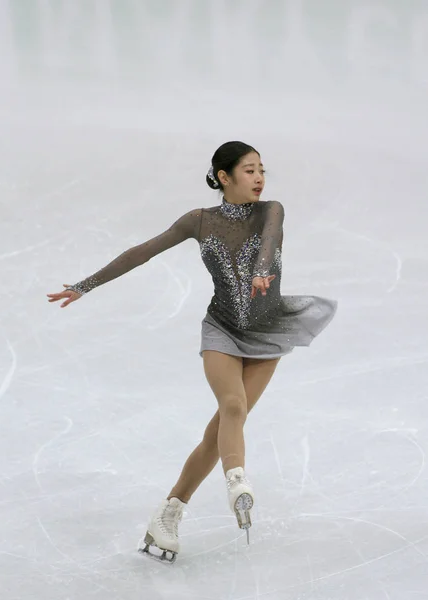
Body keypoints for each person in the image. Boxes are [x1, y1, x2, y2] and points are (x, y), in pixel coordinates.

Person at [47, 141, 337, 563]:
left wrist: (261, 272)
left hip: (265, 332)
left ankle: (168, 513)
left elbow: (269, 244)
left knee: (216, 433)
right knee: (233, 407)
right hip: (221, 328)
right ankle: (237, 480)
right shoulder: (198, 221)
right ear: (224, 177)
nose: (259, 178)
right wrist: (84, 285)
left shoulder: (271, 209)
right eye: (249, 170)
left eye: (261, 170)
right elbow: (140, 252)